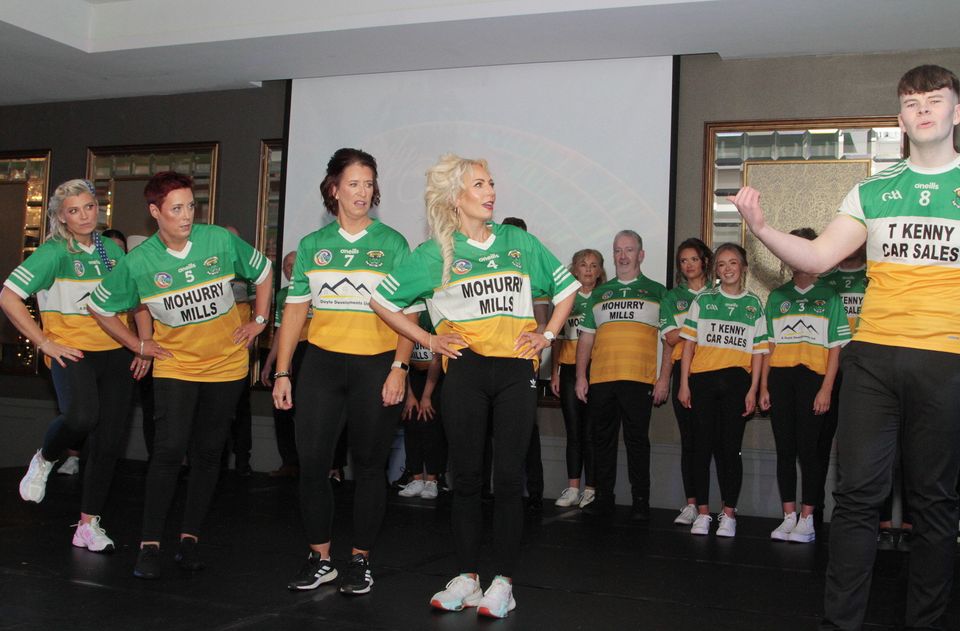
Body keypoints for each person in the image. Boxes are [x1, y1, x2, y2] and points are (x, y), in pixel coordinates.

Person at [728, 64, 960, 630]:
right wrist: (761, 227)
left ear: (956, 111)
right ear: (901, 117)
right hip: (874, 359)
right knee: (856, 498)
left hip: (947, 361)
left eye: (934, 99)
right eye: (911, 102)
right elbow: (815, 258)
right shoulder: (873, 190)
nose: (922, 109)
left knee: (935, 506)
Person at [370, 154, 578, 618]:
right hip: (463, 371)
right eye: (478, 185)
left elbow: (567, 289)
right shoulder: (434, 254)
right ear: (455, 197)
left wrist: (545, 337)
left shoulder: (518, 241)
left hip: (514, 372)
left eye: (490, 183)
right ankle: (466, 576)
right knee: (463, 479)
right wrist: (426, 338)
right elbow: (381, 300)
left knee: (507, 479)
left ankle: (502, 582)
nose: (490, 192)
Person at [88, 171, 273, 579]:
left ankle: (189, 540)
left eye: (191, 206)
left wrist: (260, 320)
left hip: (226, 367)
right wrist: (138, 344)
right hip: (176, 366)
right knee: (169, 452)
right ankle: (150, 545)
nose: (187, 215)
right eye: (176, 208)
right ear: (155, 212)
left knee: (209, 455)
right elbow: (100, 306)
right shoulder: (138, 262)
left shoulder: (219, 241)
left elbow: (262, 272)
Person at [272, 148, 411, 596]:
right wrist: (282, 372)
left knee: (369, 468)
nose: (363, 192)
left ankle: (360, 561)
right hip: (323, 367)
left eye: (369, 184)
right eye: (354, 183)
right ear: (333, 188)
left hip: (376, 366)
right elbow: (294, 314)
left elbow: (407, 313)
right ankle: (321, 558)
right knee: (313, 466)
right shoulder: (313, 246)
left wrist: (399, 368)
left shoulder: (392, 243)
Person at [2, 179, 149, 553]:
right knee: (81, 418)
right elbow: (8, 297)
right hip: (72, 353)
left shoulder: (112, 254)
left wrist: (142, 347)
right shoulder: (53, 253)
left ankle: (88, 524)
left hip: (116, 354)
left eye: (89, 207)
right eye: (73, 210)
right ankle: (46, 457)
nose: (83, 216)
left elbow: (138, 303)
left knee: (108, 440)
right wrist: (44, 342)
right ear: (60, 217)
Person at [760, 228, 850, 543]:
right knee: (785, 450)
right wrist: (764, 387)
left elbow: (836, 348)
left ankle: (808, 519)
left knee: (809, 452)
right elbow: (769, 347)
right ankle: (788, 516)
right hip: (782, 378)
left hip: (814, 378)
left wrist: (826, 389)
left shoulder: (829, 295)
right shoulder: (777, 296)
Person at [575, 230, 668, 521]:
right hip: (602, 378)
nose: (623, 256)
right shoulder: (600, 293)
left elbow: (669, 341)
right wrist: (580, 376)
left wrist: (664, 379)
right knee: (602, 441)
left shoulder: (657, 291)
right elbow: (586, 339)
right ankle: (604, 498)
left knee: (637, 441)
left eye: (629, 250)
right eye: (618, 250)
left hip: (640, 379)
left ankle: (641, 500)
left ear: (641, 255)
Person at [678, 243, 768, 538]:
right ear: (715, 270)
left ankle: (728, 513)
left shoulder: (754, 304)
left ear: (743, 268)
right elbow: (688, 345)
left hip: (737, 385)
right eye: (721, 264)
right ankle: (702, 513)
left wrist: (753, 390)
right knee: (701, 448)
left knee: (731, 450)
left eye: (733, 263)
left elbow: (758, 352)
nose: (727, 269)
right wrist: (684, 384)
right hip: (702, 381)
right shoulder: (703, 300)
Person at [658, 238, 712, 525]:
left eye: (693, 259)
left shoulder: (719, 293)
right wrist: (699, 326)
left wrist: (687, 329)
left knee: (713, 442)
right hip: (684, 374)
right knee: (689, 441)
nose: (688, 265)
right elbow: (670, 338)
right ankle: (691, 504)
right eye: (683, 260)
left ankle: (718, 509)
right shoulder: (671, 297)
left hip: (714, 372)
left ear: (704, 261)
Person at [551, 248, 606, 509]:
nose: (588, 269)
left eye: (594, 265)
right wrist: (555, 373)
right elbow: (557, 339)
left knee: (592, 431)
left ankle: (591, 488)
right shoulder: (565, 298)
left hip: (599, 370)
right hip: (570, 370)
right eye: (583, 265)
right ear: (574, 269)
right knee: (573, 431)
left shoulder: (603, 298)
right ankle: (573, 487)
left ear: (600, 271)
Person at [260, 250, 303, 478]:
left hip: (312, 352)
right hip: (288, 356)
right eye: (286, 266)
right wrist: (269, 364)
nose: (290, 269)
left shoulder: (314, 290)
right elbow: (280, 332)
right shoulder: (282, 295)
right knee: (282, 409)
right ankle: (290, 463)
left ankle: (318, 466)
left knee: (309, 412)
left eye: (294, 265)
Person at [397, 307, 446, 500]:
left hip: (434, 379)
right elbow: (403, 356)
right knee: (411, 423)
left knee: (432, 425)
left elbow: (437, 358)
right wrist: (409, 394)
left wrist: (426, 396)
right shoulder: (405, 313)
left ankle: (432, 480)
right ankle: (416, 478)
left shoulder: (435, 313)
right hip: (411, 376)